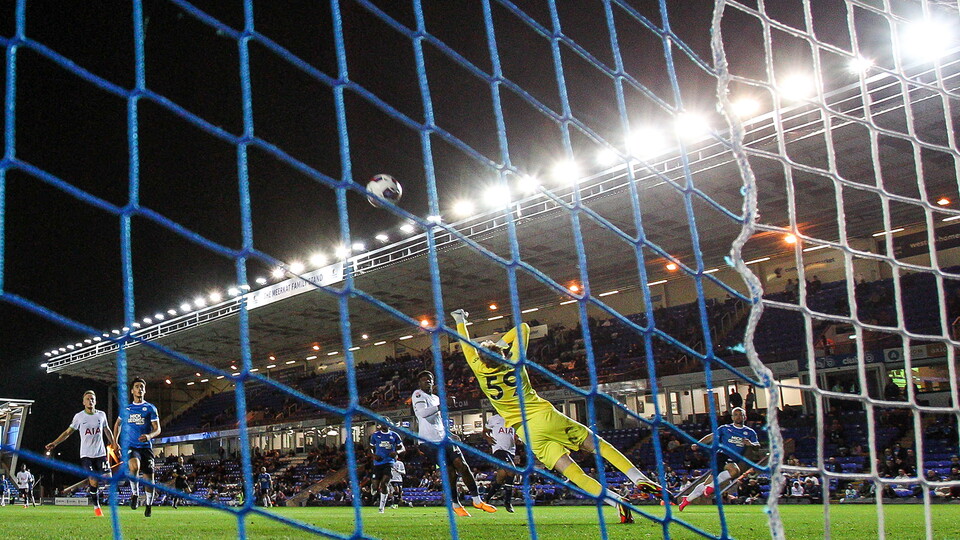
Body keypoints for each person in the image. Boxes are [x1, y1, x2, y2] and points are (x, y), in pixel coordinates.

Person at [451, 309, 664, 525]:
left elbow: (464, 342)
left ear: (482, 359)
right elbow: (522, 328)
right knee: (599, 446)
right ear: (503, 353)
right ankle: (639, 479)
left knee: (572, 472)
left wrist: (461, 321)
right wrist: (501, 345)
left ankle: (617, 501)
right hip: (544, 415)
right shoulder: (515, 362)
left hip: (528, 432)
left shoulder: (478, 368)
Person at [412, 370, 496, 517]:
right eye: (424, 380)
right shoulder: (418, 395)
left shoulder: (436, 398)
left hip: (444, 439)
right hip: (429, 442)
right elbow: (423, 414)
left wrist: (449, 433)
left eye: (430, 379)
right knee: (450, 471)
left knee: (462, 466)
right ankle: (455, 504)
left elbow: (438, 421)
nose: (428, 382)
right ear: (419, 383)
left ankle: (477, 500)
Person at [46, 390, 117, 516]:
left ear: (95, 401)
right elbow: (68, 432)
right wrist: (55, 443)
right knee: (93, 480)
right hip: (86, 455)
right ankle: (96, 506)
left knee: (109, 479)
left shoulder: (101, 415)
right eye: (88, 399)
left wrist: (115, 443)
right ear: (83, 402)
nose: (90, 401)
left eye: (92, 399)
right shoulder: (79, 417)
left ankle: (111, 505)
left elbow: (107, 430)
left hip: (100, 454)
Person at [678, 407, 761, 511]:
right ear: (732, 417)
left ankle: (687, 499)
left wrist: (751, 443)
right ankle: (711, 487)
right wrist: (698, 444)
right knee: (735, 471)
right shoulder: (725, 428)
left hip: (732, 458)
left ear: (745, 417)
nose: (738, 416)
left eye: (741, 414)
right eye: (736, 414)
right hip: (722, 455)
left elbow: (757, 446)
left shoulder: (750, 432)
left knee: (706, 484)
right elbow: (711, 436)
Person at [113, 377, 162, 517]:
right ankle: (134, 494)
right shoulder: (127, 408)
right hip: (131, 446)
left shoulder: (150, 408)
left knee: (149, 479)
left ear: (144, 390)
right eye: (137, 386)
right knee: (134, 466)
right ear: (132, 390)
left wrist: (149, 436)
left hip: (146, 447)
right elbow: (117, 424)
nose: (139, 388)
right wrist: (115, 442)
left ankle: (148, 505)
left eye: (142, 386)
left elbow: (157, 429)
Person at [483, 413, 520, 513]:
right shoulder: (494, 419)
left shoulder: (513, 417)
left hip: (511, 451)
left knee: (501, 478)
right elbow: (484, 432)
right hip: (498, 449)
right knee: (512, 470)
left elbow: (516, 433)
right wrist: (488, 438)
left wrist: (518, 438)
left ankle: (486, 499)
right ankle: (507, 502)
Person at [369, 418, 405, 513]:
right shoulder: (375, 435)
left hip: (389, 462)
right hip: (378, 463)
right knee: (375, 485)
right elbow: (371, 448)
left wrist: (396, 452)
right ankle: (373, 488)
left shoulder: (394, 435)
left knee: (384, 483)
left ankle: (381, 508)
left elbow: (402, 448)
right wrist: (374, 455)